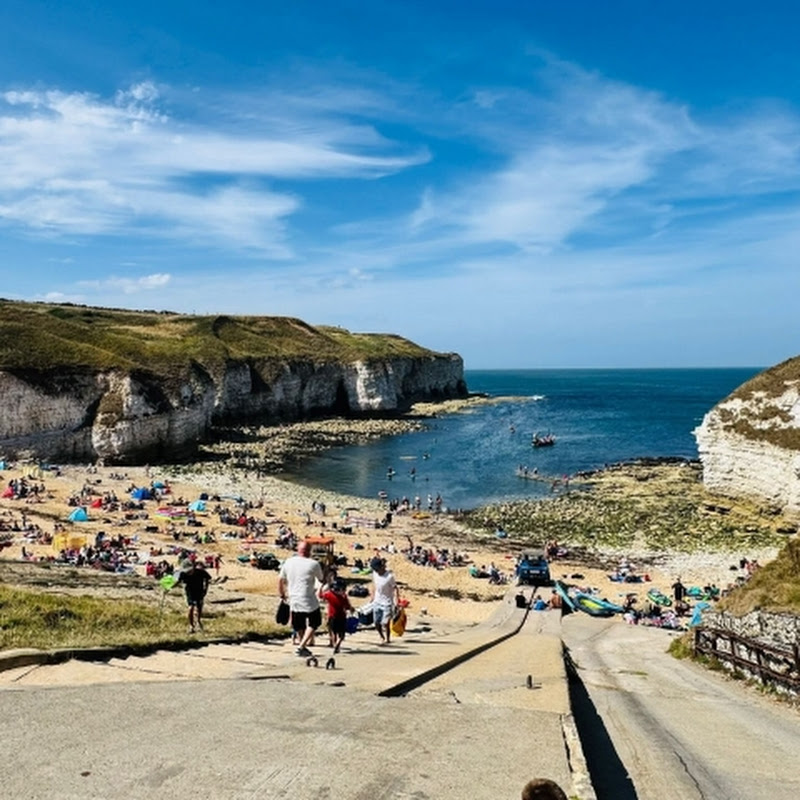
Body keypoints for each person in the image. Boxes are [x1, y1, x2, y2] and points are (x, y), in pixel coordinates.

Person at [279, 540, 324, 657]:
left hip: (293, 597)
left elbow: (280, 579)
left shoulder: (288, 562)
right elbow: (321, 578)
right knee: (315, 621)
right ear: (309, 551)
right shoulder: (313, 564)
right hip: (308, 597)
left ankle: (302, 644)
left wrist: (282, 594)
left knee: (299, 624)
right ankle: (302, 645)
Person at [175, 558, 211, 633]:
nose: (188, 572)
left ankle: (198, 621)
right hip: (189, 592)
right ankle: (191, 625)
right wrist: (168, 587)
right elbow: (177, 581)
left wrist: (205, 589)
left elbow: (207, 579)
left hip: (199, 591)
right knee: (190, 608)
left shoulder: (201, 572)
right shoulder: (183, 574)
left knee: (199, 607)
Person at [370, 557, 400, 645]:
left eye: (377, 569)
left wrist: (396, 600)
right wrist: (372, 595)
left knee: (385, 622)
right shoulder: (375, 574)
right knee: (376, 622)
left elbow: (395, 588)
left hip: (387, 602)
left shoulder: (389, 577)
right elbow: (374, 584)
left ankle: (387, 638)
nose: (376, 571)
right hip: (377, 601)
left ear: (381, 567)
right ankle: (381, 636)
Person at [319, 578, 354, 653]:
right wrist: (351, 609)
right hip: (341, 617)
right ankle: (338, 644)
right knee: (341, 634)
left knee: (333, 631)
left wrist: (321, 587)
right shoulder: (343, 597)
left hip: (332, 616)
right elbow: (348, 607)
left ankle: (334, 643)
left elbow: (321, 596)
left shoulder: (329, 595)